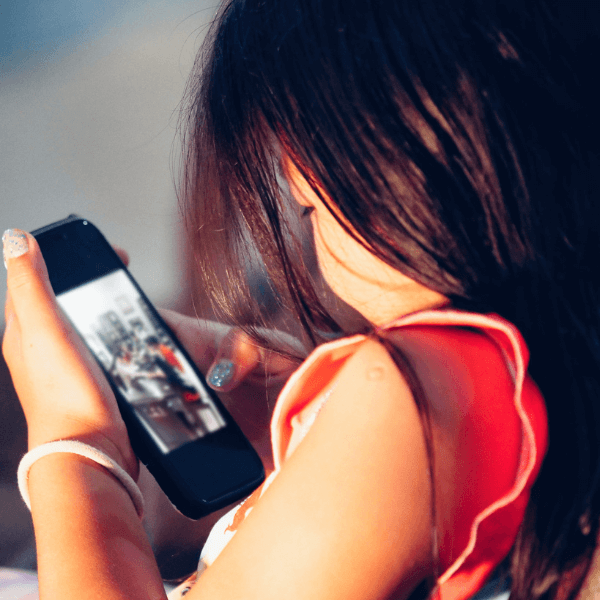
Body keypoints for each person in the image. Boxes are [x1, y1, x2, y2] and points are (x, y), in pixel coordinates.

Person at [2, 0, 600, 599]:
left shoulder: (424, 388)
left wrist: (76, 448)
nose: (311, 244)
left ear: (394, 175)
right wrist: (302, 461)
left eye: (310, 208)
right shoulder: (527, 375)